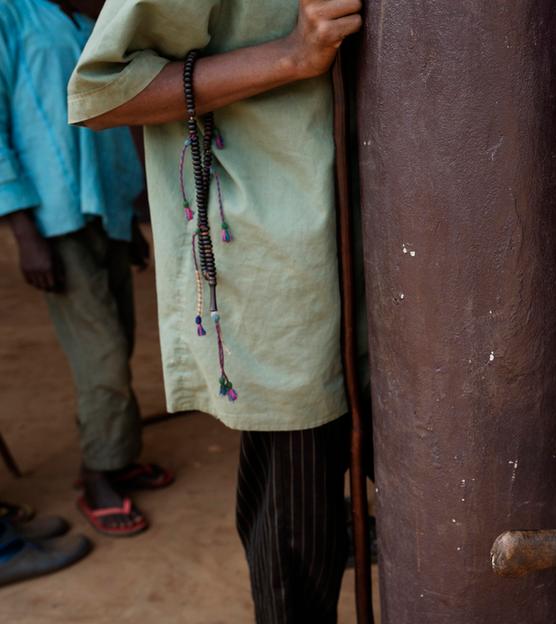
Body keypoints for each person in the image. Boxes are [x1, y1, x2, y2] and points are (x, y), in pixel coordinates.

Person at [68, 0, 363, 620]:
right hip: (285, 270)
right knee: (296, 535)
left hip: (410, 259)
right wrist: (290, 56)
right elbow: (102, 93)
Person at [0, 0, 174, 539]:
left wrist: (132, 215)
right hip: (55, 222)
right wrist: (24, 232)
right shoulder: (12, 14)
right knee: (100, 357)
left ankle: (116, 456)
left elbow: (115, 116)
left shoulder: (91, 19)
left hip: (108, 210)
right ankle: (97, 475)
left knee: (117, 341)